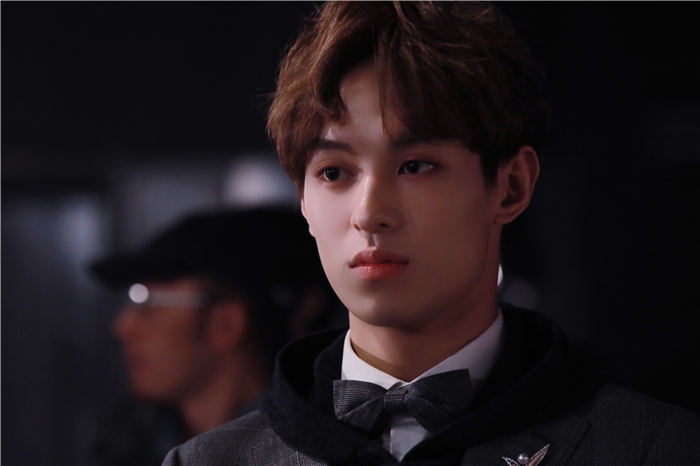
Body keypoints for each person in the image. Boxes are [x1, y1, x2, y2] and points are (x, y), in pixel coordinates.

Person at [163, 3, 700, 465]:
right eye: (334, 172)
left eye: (415, 166)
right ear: (303, 200)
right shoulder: (207, 461)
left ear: (510, 186)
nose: (369, 213)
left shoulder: (651, 447)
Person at [90, 206, 340, 466]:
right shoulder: (124, 446)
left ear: (226, 323)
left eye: (148, 302)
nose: (123, 327)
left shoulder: (326, 450)